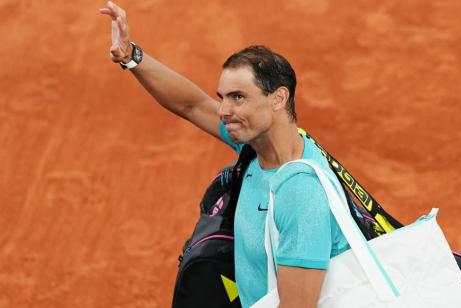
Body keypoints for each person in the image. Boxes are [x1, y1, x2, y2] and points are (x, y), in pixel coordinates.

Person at [99, 2, 350, 307]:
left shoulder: (300, 195)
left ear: (278, 98)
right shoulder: (258, 147)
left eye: (238, 98)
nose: (223, 110)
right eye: (223, 97)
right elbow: (192, 105)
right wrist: (130, 56)